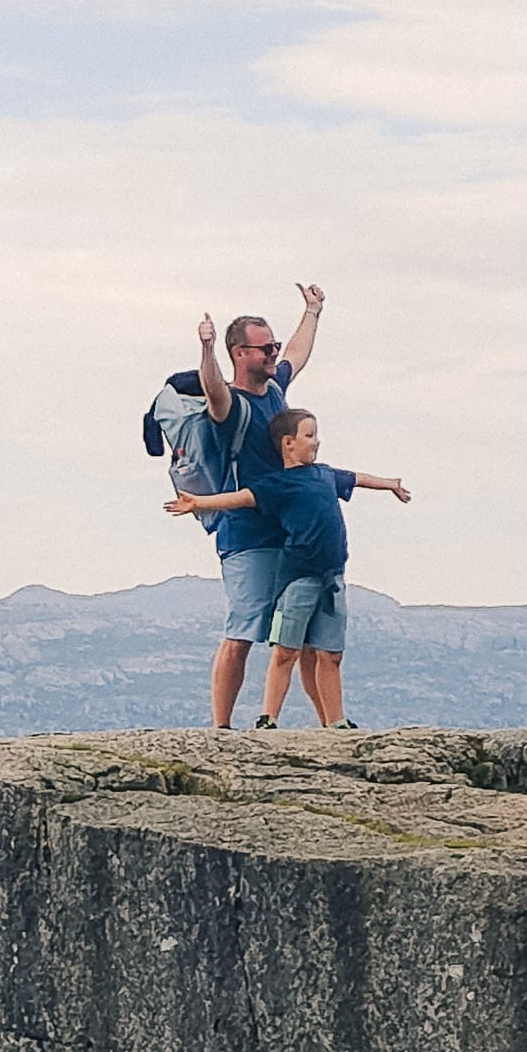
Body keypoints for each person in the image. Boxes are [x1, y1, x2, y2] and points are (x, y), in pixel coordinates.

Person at [167, 407, 410, 730]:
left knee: (330, 654)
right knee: (286, 650)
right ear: (288, 443)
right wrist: (199, 502)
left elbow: (357, 478)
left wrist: (390, 483)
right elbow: (242, 498)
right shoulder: (277, 484)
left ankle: (336, 721)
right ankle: (268, 716)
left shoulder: (325, 474)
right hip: (297, 578)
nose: (317, 441)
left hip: (332, 578)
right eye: (309, 435)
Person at [195, 291, 326, 729]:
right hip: (246, 536)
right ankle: (221, 729)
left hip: (287, 533)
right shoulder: (233, 406)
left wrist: (312, 311)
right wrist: (207, 349)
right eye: (263, 348)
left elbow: (297, 354)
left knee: (301, 636)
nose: (273, 354)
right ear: (240, 353)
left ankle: (328, 723)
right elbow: (213, 391)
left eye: (272, 346)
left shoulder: (274, 391)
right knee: (242, 635)